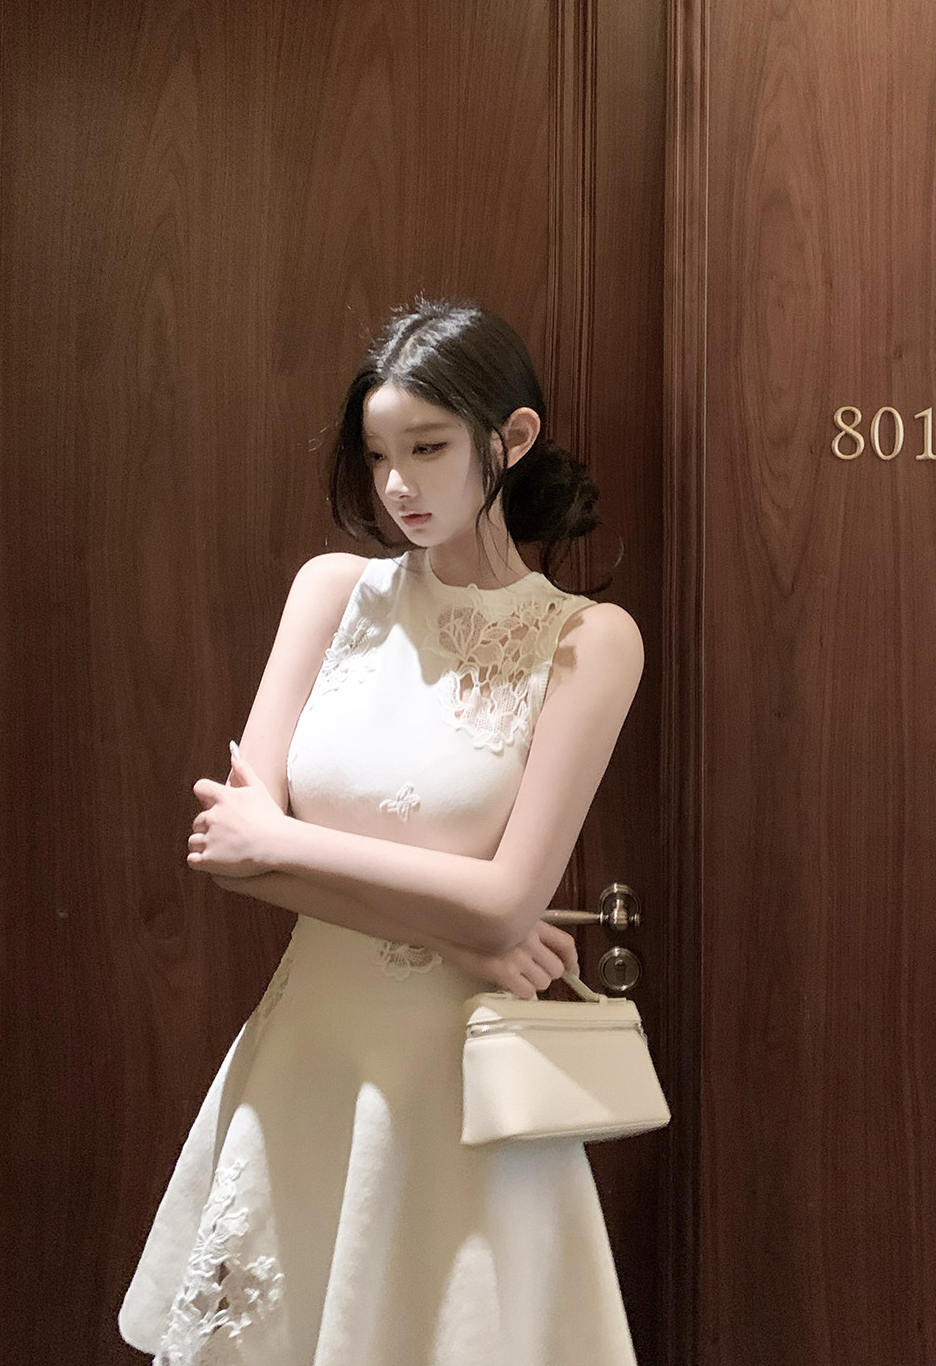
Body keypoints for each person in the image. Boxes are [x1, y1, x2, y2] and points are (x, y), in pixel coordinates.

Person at [118, 299, 646, 1366]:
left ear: (513, 438)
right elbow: (230, 855)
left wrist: (292, 847)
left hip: (456, 1086)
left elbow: (504, 898)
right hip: (307, 1053)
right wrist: (460, 926)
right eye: (376, 454)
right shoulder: (330, 593)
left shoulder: (590, 641)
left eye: (428, 448)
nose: (397, 483)